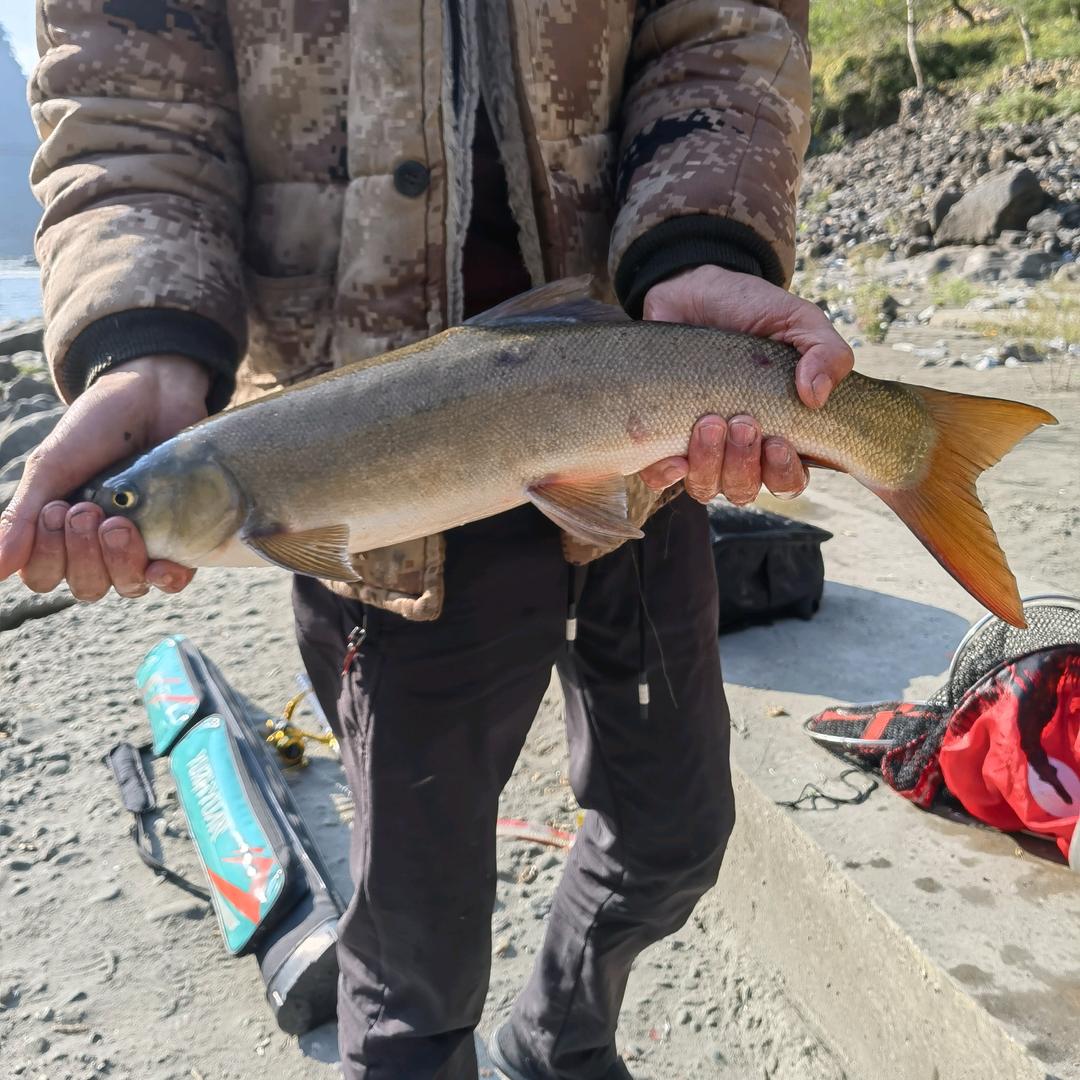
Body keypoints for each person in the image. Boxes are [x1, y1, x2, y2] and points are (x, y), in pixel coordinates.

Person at [0, 2, 852, 1078]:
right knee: (412, 965)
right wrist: (145, 338)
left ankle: (559, 1046)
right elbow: (125, 113)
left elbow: (724, 29)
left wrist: (705, 241)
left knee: (675, 831)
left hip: (635, 428)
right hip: (374, 500)